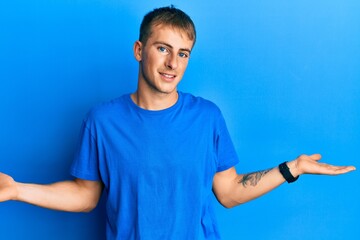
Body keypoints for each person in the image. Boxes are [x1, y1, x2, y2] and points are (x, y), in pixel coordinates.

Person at [0, 6, 356, 240]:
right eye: (163, 49)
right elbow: (85, 195)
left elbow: (228, 192)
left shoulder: (207, 117)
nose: (173, 63)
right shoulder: (102, 121)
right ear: (139, 50)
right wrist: (17, 190)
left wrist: (292, 168)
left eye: (182, 53)